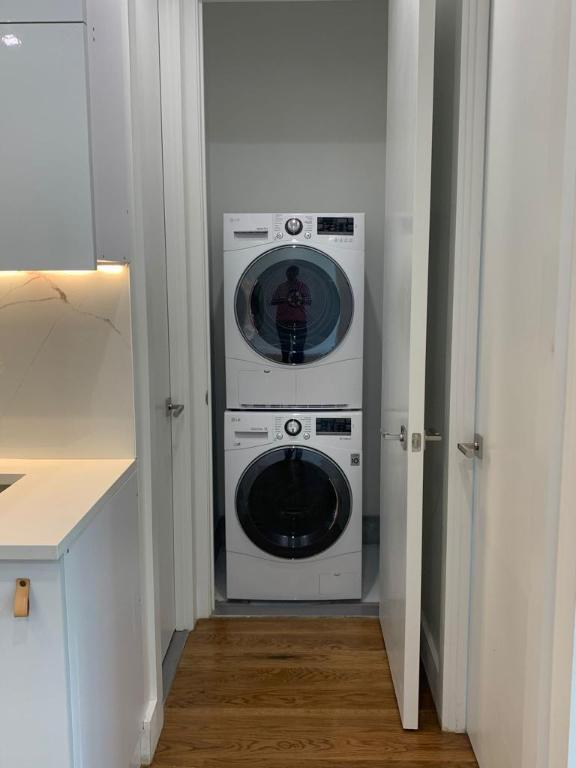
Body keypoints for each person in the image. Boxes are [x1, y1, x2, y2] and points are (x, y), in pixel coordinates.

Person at [271, 265, 311, 364]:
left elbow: (308, 301)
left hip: (292, 319)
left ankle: (293, 361)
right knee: (288, 343)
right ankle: (289, 360)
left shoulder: (284, 287)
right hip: (290, 319)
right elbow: (273, 301)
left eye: (292, 272)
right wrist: (292, 299)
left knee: (293, 343)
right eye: (289, 272)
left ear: (297, 274)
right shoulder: (301, 286)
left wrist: (288, 299)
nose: (290, 275)